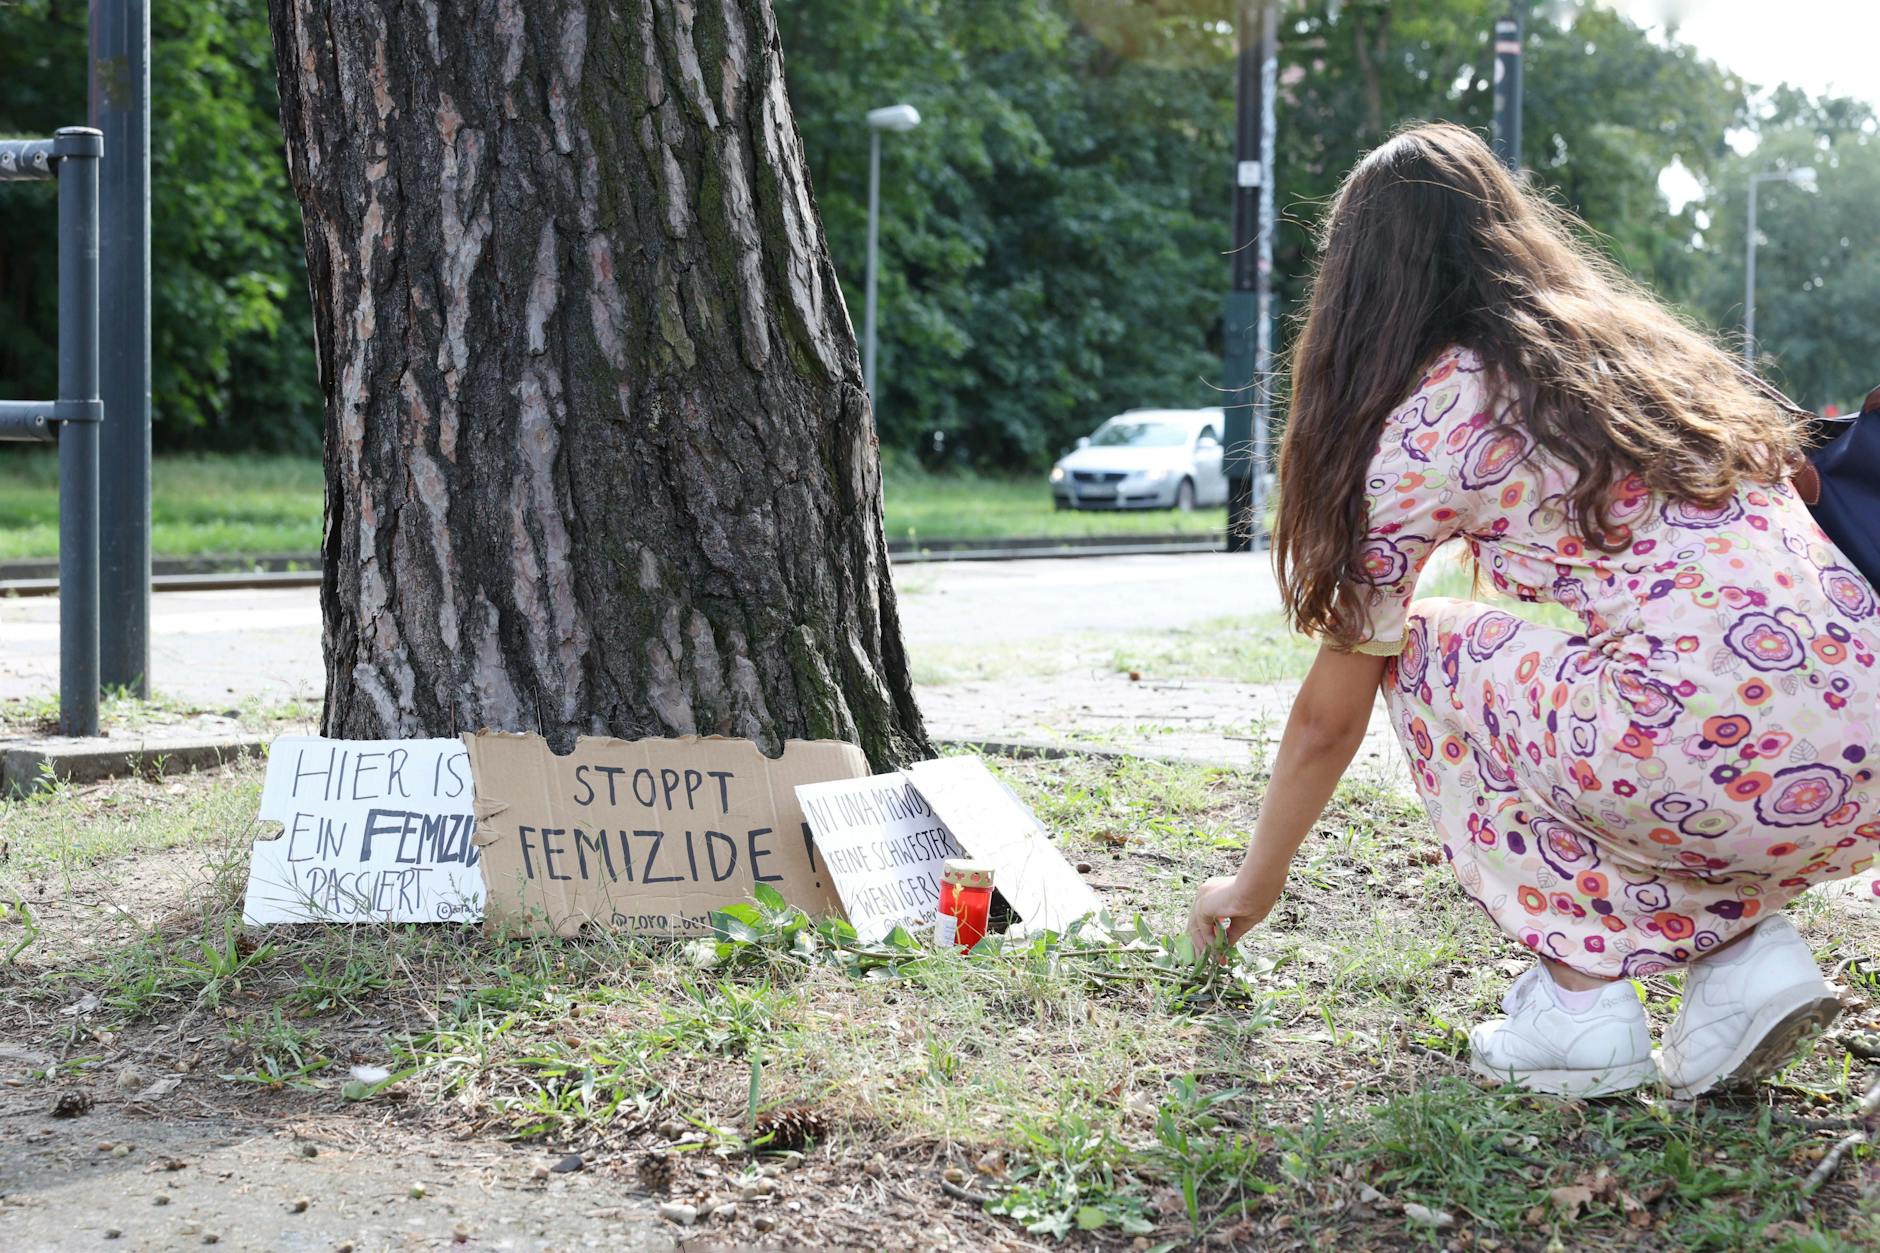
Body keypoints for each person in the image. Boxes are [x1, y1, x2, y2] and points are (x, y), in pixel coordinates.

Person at [1187, 122, 1873, 1098]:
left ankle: (1577, 1005)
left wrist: (1247, 886)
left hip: (1722, 746)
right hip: (1856, 751)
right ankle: (1743, 964)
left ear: (1359, 284)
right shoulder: (1635, 353)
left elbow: (1324, 716)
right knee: (1667, 706)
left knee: (1424, 649)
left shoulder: (1431, 409)